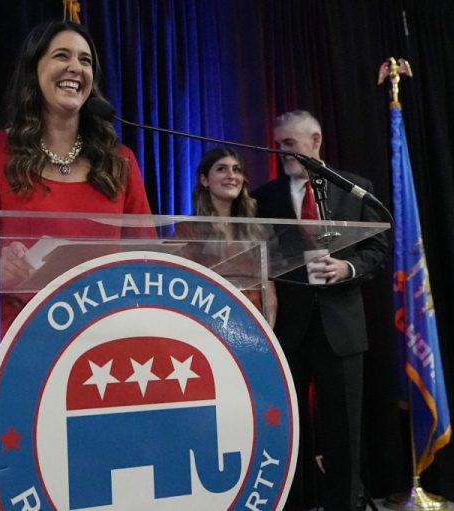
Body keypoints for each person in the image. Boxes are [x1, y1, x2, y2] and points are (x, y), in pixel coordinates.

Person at [0, 20, 153, 511]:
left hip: (106, 354)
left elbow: (148, 259)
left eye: (85, 61)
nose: (75, 68)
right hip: (20, 351)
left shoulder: (119, 162)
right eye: (61, 56)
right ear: (33, 70)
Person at [252, 111, 388, 510]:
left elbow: (378, 249)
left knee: (344, 430)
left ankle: (345, 503)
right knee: (286, 427)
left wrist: (348, 267)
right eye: (279, 146)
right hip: (288, 329)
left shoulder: (355, 190)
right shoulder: (266, 197)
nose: (283, 152)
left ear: (316, 140)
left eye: (291, 144)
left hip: (341, 327)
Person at [186, 146, 276, 327]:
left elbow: (269, 293)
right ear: (204, 180)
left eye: (237, 170)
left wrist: (267, 336)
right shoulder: (189, 229)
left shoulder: (257, 229)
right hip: (208, 326)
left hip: (252, 324)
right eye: (221, 169)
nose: (231, 175)